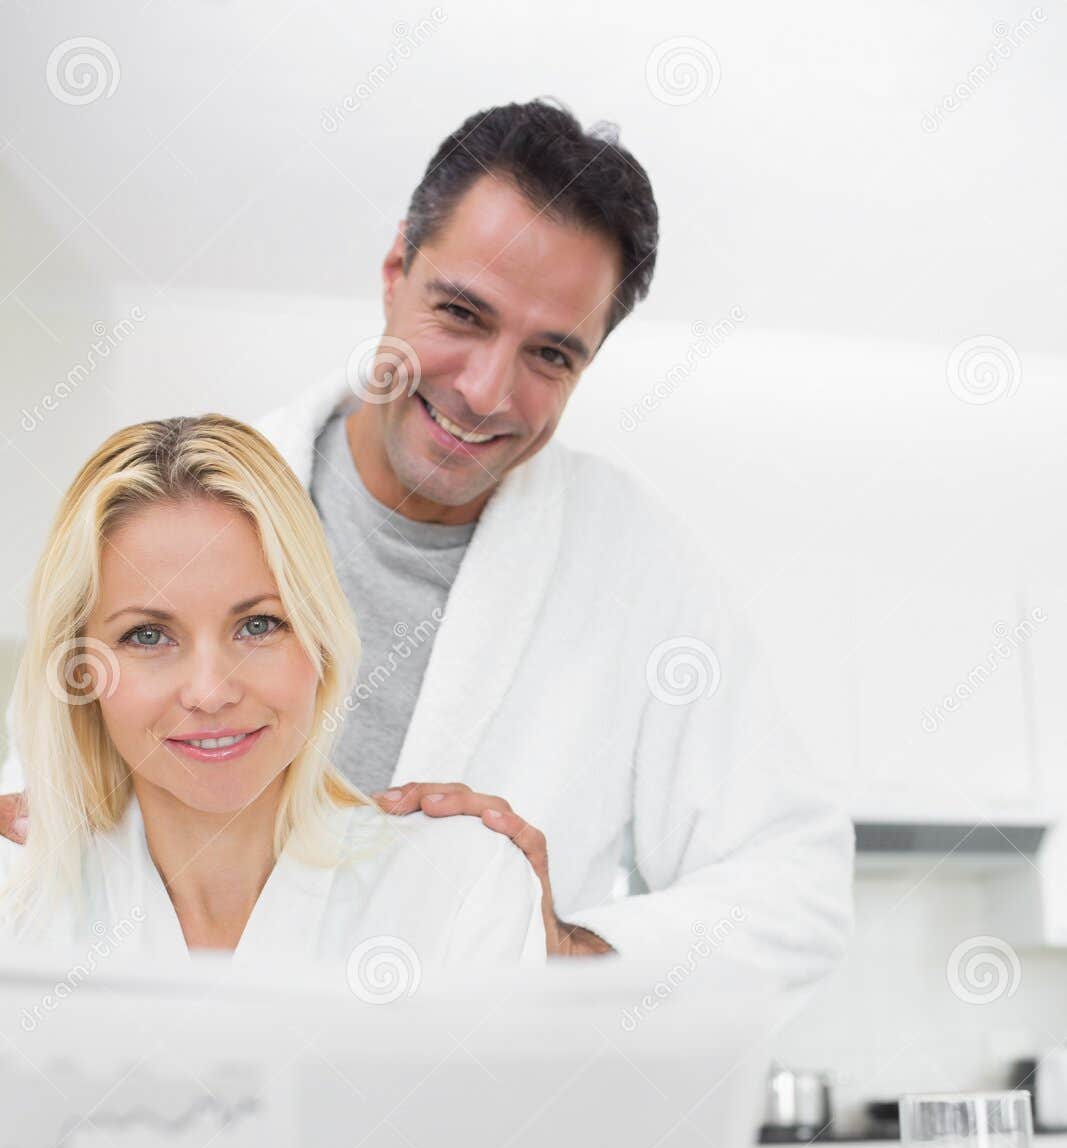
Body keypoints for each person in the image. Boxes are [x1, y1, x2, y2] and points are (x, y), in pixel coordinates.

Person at [2, 97, 854, 979]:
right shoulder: (197, 505)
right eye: (461, 315)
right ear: (394, 269)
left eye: (550, 356)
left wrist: (560, 947)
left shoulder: (639, 568)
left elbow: (797, 891)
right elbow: (59, 794)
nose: (487, 391)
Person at [0, 413, 543, 976]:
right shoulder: (15, 898)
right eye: (148, 635)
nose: (210, 693)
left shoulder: (460, 885)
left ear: (321, 638)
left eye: (258, 625)